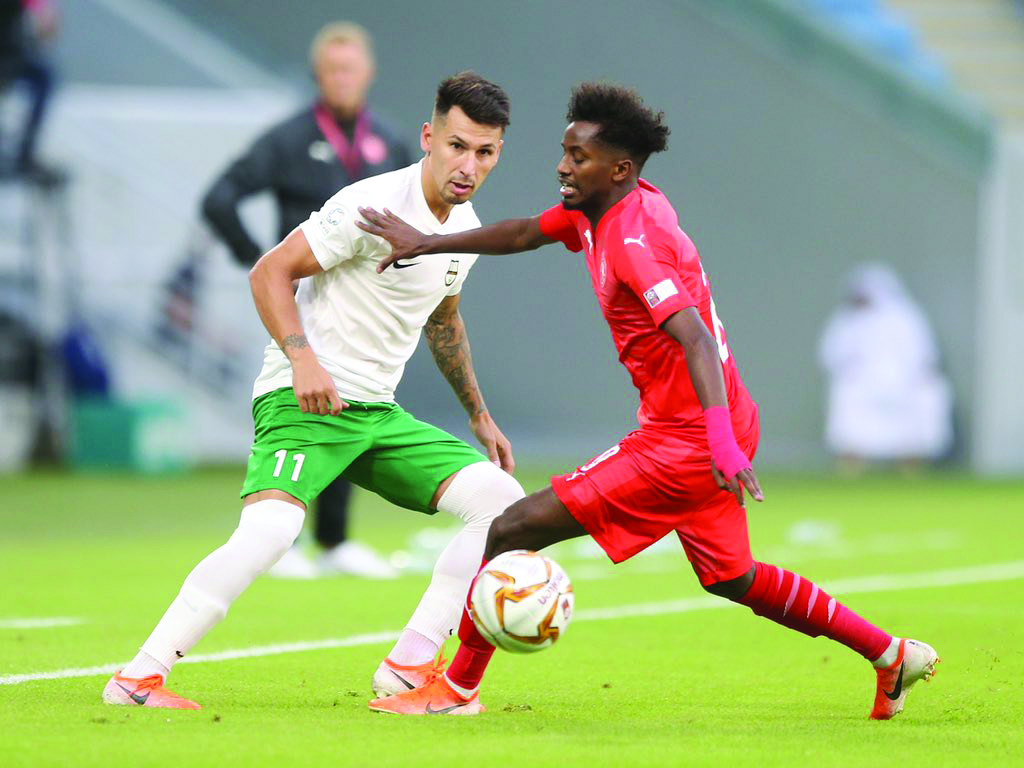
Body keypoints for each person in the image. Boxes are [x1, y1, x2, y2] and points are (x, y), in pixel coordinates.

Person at [358, 83, 939, 719]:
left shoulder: (636, 243)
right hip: (712, 423)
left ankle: (457, 690)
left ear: (619, 169)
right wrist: (427, 241)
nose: (561, 165)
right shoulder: (600, 208)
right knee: (732, 576)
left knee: (511, 528)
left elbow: (693, 337)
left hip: (690, 436)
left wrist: (714, 439)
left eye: (577, 157)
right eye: (564, 151)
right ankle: (890, 654)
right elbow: (525, 232)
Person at [102, 72, 525, 710]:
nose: (468, 165)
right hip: (306, 403)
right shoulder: (369, 204)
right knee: (272, 530)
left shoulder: (464, 230)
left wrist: (480, 416)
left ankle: (410, 666)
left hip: (377, 416)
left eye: (484, 152)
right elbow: (270, 272)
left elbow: (444, 320)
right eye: (457, 145)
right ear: (428, 137)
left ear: (498, 154)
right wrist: (303, 361)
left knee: (502, 503)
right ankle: (137, 677)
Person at [202, 21, 412, 579]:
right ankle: (280, 537)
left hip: (363, 304)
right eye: (332, 69)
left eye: (351, 68)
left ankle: (337, 539)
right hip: (299, 300)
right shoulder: (289, 139)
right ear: (319, 75)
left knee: (354, 403)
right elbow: (220, 198)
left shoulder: (388, 142)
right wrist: (259, 257)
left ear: (367, 73)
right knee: (291, 400)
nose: (342, 78)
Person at [819, 263, 953, 473]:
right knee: (846, 396)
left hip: (904, 382)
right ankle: (851, 465)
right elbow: (833, 353)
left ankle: (911, 465)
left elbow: (924, 354)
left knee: (929, 395)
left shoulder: (906, 318)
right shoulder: (848, 320)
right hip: (862, 383)